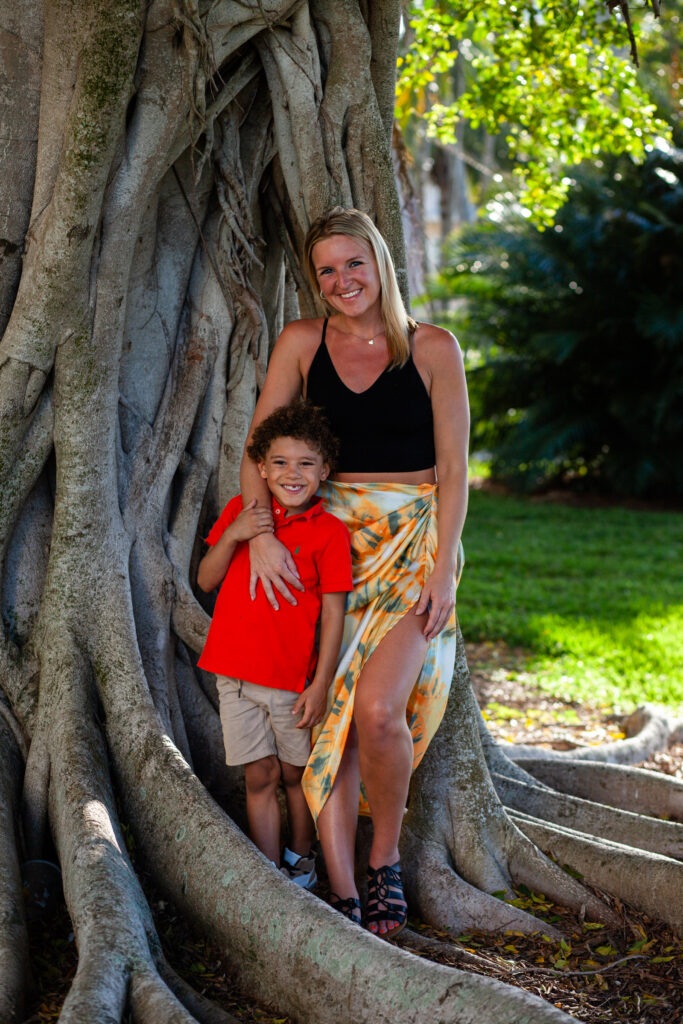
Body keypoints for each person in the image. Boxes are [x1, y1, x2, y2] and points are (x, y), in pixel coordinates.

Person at [239, 207, 469, 936]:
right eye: (326, 271)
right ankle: (342, 891)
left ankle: (385, 860)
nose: (342, 281)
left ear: (380, 264)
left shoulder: (433, 348)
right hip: (325, 550)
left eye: (354, 264)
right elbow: (258, 450)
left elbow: (457, 469)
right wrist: (263, 536)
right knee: (327, 725)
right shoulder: (301, 343)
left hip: (411, 546)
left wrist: (442, 569)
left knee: (375, 713)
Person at [197, 401, 353, 889]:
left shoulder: (330, 534)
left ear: (324, 470)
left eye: (306, 463)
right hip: (235, 678)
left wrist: (321, 682)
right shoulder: (241, 515)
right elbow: (205, 580)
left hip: (291, 682)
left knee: (295, 775)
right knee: (259, 776)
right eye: (280, 463)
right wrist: (235, 536)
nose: (292, 473)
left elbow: (334, 613)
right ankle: (269, 877)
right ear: (260, 468)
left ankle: (300, 859)